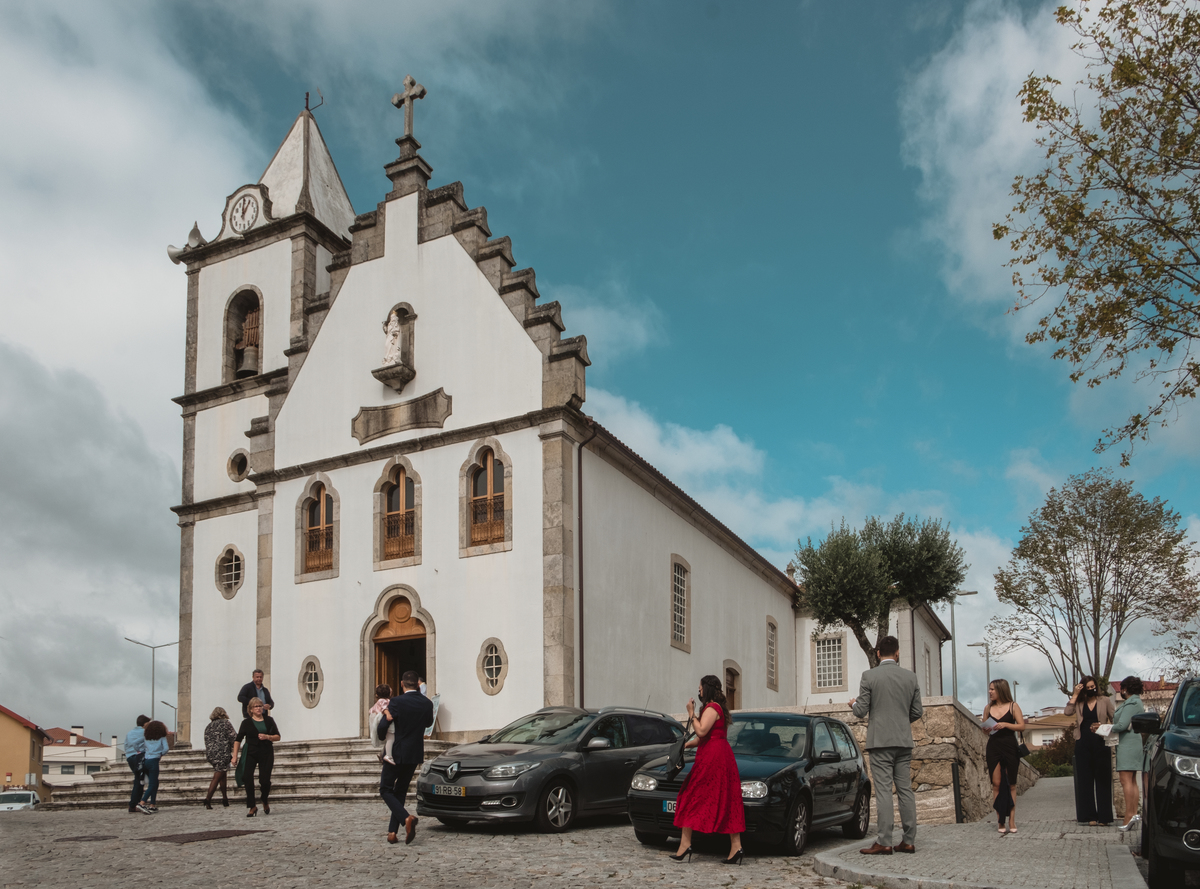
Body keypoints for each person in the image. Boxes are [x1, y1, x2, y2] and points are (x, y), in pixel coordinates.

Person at [850, 635, 923, 855]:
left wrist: (853, 705)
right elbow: (917, 711)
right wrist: (901, 721)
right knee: (905, 791)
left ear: (878, 653)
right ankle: (909, 840)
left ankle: (885, 841)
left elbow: (861, 711)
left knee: (883, 791)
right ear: (897, 653)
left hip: (880, 742)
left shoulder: (869, 676)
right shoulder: (911, 678)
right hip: (903, 741)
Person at [670, 674, 746, 865]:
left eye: (701, 687)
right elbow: (703, 737)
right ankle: (735, 847)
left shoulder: (713, 708)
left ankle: (685, 845)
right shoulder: (713, 708)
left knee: (689, 795)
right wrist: (685, 746)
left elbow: (702, 730)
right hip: (714, 754)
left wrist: (690, 713)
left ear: (708, 688)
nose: (699, 690)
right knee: (726, 798)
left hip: (713, 758)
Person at [377, 670, 434, 844]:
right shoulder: (427, 703)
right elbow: (428, 723)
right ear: (418, 684)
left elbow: (383, 726)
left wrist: (380, 735)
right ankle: (392, 833)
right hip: (414, 753)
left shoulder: (396, 702)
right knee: (400, 791)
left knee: (385, 789)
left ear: (402, 684)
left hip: (395, 752)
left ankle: (406, 818)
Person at [1065, 675, 1115, 825]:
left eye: (1093, 687)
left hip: (1101, 743)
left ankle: (1104, 817)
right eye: (1088, 688)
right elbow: (1067, 712)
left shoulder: (1104, 700)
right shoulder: (1079, 702)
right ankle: (1089, 817)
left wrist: (1104, 728)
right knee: (1085, 781)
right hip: (1083, 743)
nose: (1091, 690)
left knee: (1103, 780)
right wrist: (1074, 695)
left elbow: (1115, 719)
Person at [981, 678, 1027, 835]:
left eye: (992, 689)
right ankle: (1000, 820)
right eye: (989, 689)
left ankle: (1012, 820)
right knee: (996, 784)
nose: (990, 692)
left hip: (1010, 746)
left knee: (1012, 784)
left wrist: (1006, 724)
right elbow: (984, 727)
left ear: (1001, 690)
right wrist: (986, 730)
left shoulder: (1013, 706)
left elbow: (1022, 726)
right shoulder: (988, 708)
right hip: (993, 746)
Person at [232, 696, 280, 817]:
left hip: (266, 752)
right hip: (250, 752)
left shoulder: (269, 720)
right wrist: (234, 756)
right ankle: (252, 806)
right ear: (251, 710)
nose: (258, 708)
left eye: (260, 706)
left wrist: (267, 737)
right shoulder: (246, 723)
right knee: (248, 777)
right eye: (256, 706)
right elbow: (238, 740)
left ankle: (264, 799)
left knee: (264, 781)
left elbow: (278, 736)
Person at [1112, 676, 1146, 831]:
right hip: (1131, 742)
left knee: (1126, 780)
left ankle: (1129, 815)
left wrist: (1103, 727)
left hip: (1128, 743)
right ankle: (1132, 814)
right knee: (1132, 781)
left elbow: (1122, 725)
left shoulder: (1132, 703)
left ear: (1125, 688)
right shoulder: (1136, 702)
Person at [203, 707, 237, 809]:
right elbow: (234, 737)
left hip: (211, 753)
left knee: (222, 774)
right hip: (222, 752)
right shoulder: (226, 723)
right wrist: (234, 749)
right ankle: (208, 799)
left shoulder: (208, 726)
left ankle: (225, 798)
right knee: (218, 775)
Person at [137, 720, 170, 813]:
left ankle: (152, 804)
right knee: (152, 784)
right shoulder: (162, 738)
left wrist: (143, 751)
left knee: (155, 782)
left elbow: (137, 745)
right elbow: (166, 749)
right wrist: (160, 754)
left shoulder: (145, 737)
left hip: (146, 761)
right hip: (154, 761)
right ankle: (142, 802)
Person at [124, 715, 150, 814]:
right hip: (140, 757)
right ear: (145, 723)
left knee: (139, 779)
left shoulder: (129, 733)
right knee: (139, 780)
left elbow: (126, 745)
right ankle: (133, 805)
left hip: (130, 757)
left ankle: (137, 803)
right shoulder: (145, 732)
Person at [369, 684, 396, 766]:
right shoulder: (383, 701)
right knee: (391, 737)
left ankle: (383, 754)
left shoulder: (378, 701)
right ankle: (388, 755)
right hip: (385, 721)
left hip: (381, 721)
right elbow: (384, 708)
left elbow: (371, 710)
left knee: (388, 739)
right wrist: (388, 715)